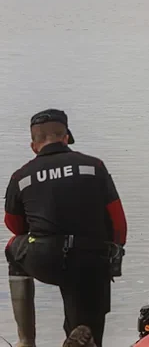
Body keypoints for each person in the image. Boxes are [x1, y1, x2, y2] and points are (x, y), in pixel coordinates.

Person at [4, 109, 127, 347]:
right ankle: (83, 334)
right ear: (66, 137)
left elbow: (14, 225)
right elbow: (118, 223)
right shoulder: (95, 166)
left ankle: (26, 341)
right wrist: (113, 251)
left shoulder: (21, 176)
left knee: (13, 248)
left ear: (33, 145)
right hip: (90, 258)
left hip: (43, 257)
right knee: (86, 327)